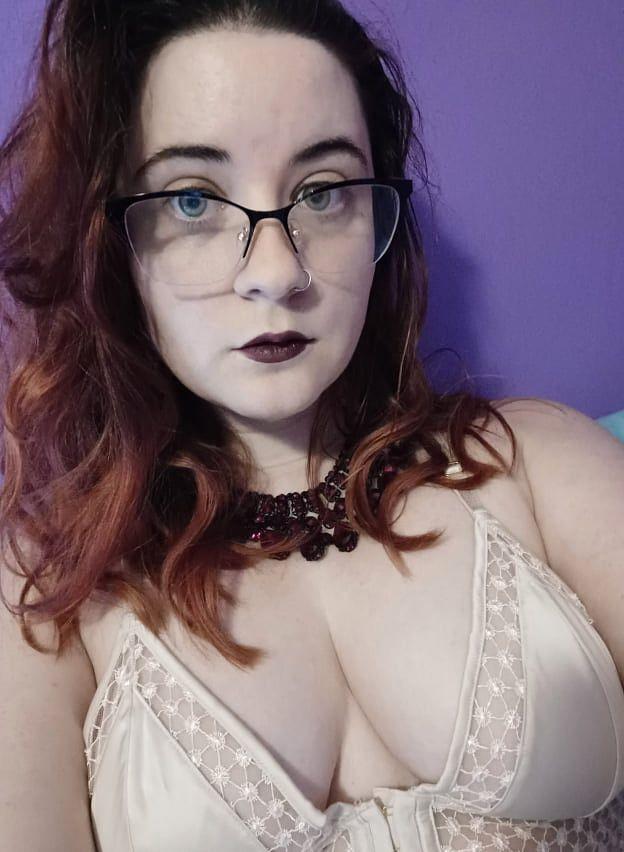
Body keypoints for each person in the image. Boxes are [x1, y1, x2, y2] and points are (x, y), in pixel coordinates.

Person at [1, 1, 623, 850]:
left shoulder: (536, 465)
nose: (276, 272)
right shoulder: (49, 594)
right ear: (112, 241)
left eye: (323, 192)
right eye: (193, 200)